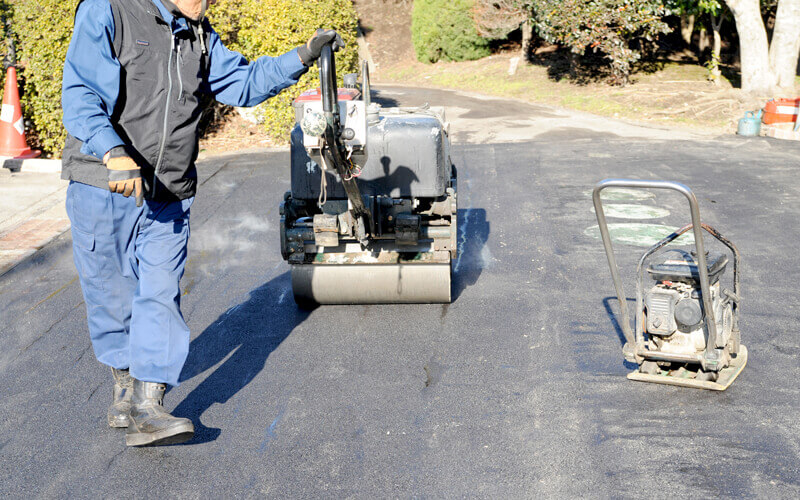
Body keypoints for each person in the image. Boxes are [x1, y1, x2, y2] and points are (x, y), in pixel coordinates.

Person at [61, 0, 343, 446]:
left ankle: (147, 405)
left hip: (168, 192)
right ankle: (124, 387)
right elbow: (81, 94)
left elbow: (244, 83)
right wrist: (113, 153)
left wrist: (302, 55)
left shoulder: (198, 36)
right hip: (105, 183)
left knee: (160, 293)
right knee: (111, 294)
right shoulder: (109, 10)